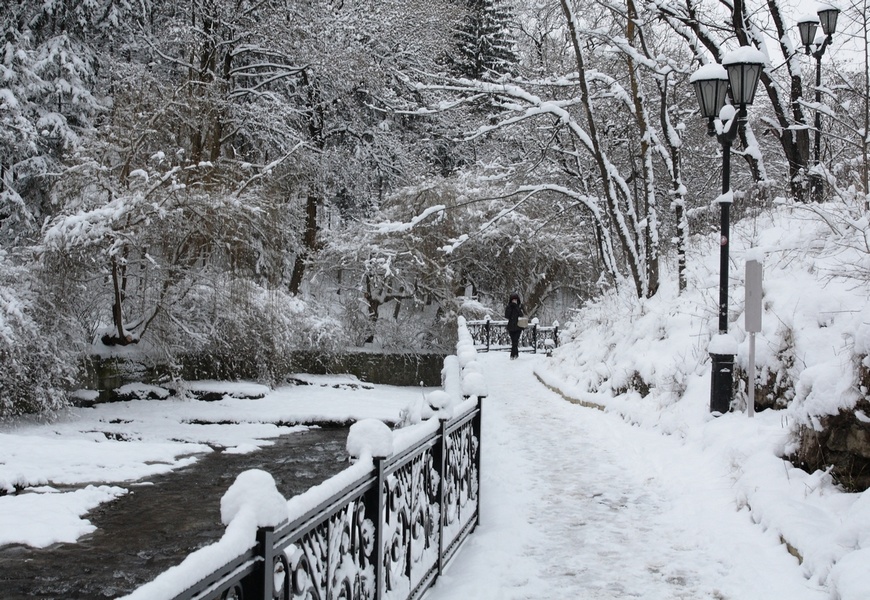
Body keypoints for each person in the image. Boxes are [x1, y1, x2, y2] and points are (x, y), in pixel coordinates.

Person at [504, 292, 524, 359]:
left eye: (515, 300)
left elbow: (522, 315)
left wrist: (516, 307)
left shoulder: (519, 307)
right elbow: (507, 316)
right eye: (513, 300)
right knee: (513, 341)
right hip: (511, 327)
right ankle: (515, 354)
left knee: (515, 341)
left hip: (518, 327)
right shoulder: (509, 307)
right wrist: (511, 307)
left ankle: (513, 355)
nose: (514, 301)